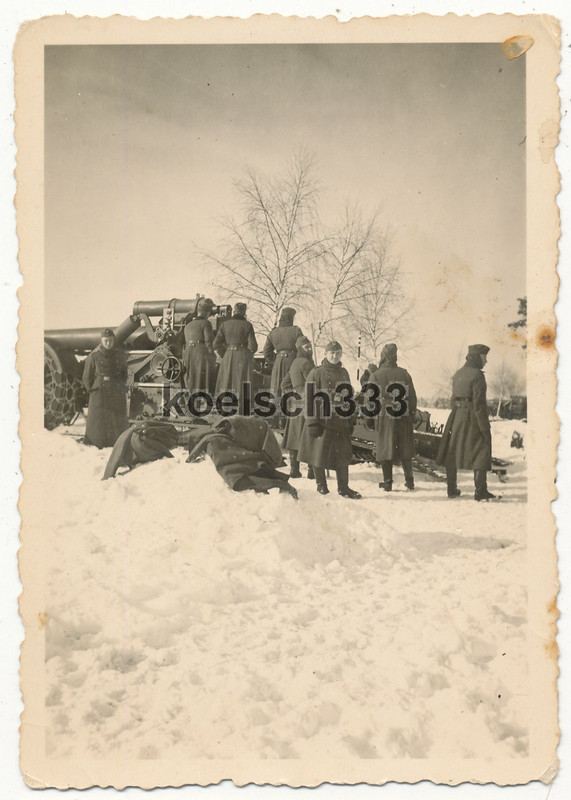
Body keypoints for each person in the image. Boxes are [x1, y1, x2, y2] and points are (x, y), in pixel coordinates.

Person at [298, 340, 361, 499]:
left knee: (343, 456)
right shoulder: (316, 373)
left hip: (340, 420)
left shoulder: (344, 373)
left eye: (338, 352)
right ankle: (321, 486)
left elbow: (348, 398)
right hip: (322, 420)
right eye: (332, 353)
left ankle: (344, 488)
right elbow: (308, 398)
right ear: (326, 354)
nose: (335, 356)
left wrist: (351, 418)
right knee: (318, 454)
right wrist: (312, 422)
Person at [436, 343, 496, 501]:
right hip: (472, 417)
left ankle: (451, 489)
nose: (486, 361)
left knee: (453, 451)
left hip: (456, 417)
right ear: (477, 357)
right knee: (482, 448)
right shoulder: (478, 375)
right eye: (485, 357)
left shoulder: (458, 374)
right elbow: (479, 404)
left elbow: (452, 399)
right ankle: (480, 491)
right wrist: (485, 428)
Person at [369, 343, 417, 491]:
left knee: (386, 448)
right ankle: (410, 482)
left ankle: (388, 482)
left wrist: (369, 420)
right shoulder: (404, 374)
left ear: (383, 356)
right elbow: (412, 398)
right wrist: (411, 416)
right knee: (405, 449)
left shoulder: (376, 375)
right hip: (403, 414)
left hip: (385, 417)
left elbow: (370, 400)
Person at [82, 328, 129, 448]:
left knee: (115, 418)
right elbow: (86, 378)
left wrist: (119, 386)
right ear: (102, 341)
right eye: (106, 341)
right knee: (98, 421)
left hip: (115, 391)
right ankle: (96, 442)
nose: (108, 343)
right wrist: (93, 391)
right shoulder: (93, 357)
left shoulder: (120, 356)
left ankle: (115, 442)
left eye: (111, 341)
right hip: (99, 392)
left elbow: (124, 374)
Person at [213, 302, 258, 413]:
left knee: (226, 381)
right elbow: (253, 347)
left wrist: (226, 353)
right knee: (241, 382)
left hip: (228, 356)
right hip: (242, 356)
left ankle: (224, 408)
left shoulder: (225, 325)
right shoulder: (247, 325)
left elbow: (215, 344)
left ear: (234, 311)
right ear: (244, 312)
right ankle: (241, 410)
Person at [281, 335, 315, 479]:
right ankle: (312, 471)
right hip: (308, 402)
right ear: (301, 348)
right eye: (307, 347)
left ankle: (294, 470)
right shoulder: (307, 363)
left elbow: (284, 384)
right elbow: (313, 383)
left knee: (295, 436)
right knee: (309, 435)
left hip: (296, 403)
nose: (310, 349)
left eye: (310, 346)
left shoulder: (294, 363)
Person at [181, 297, 216, 393]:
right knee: (204, 379)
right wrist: (212, 354)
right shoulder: (206, 323)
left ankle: (192, 399)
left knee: (192, 378)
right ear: (207, 313)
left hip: (188, 353)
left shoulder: (188, 325)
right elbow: (209, 341)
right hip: (200, 353)